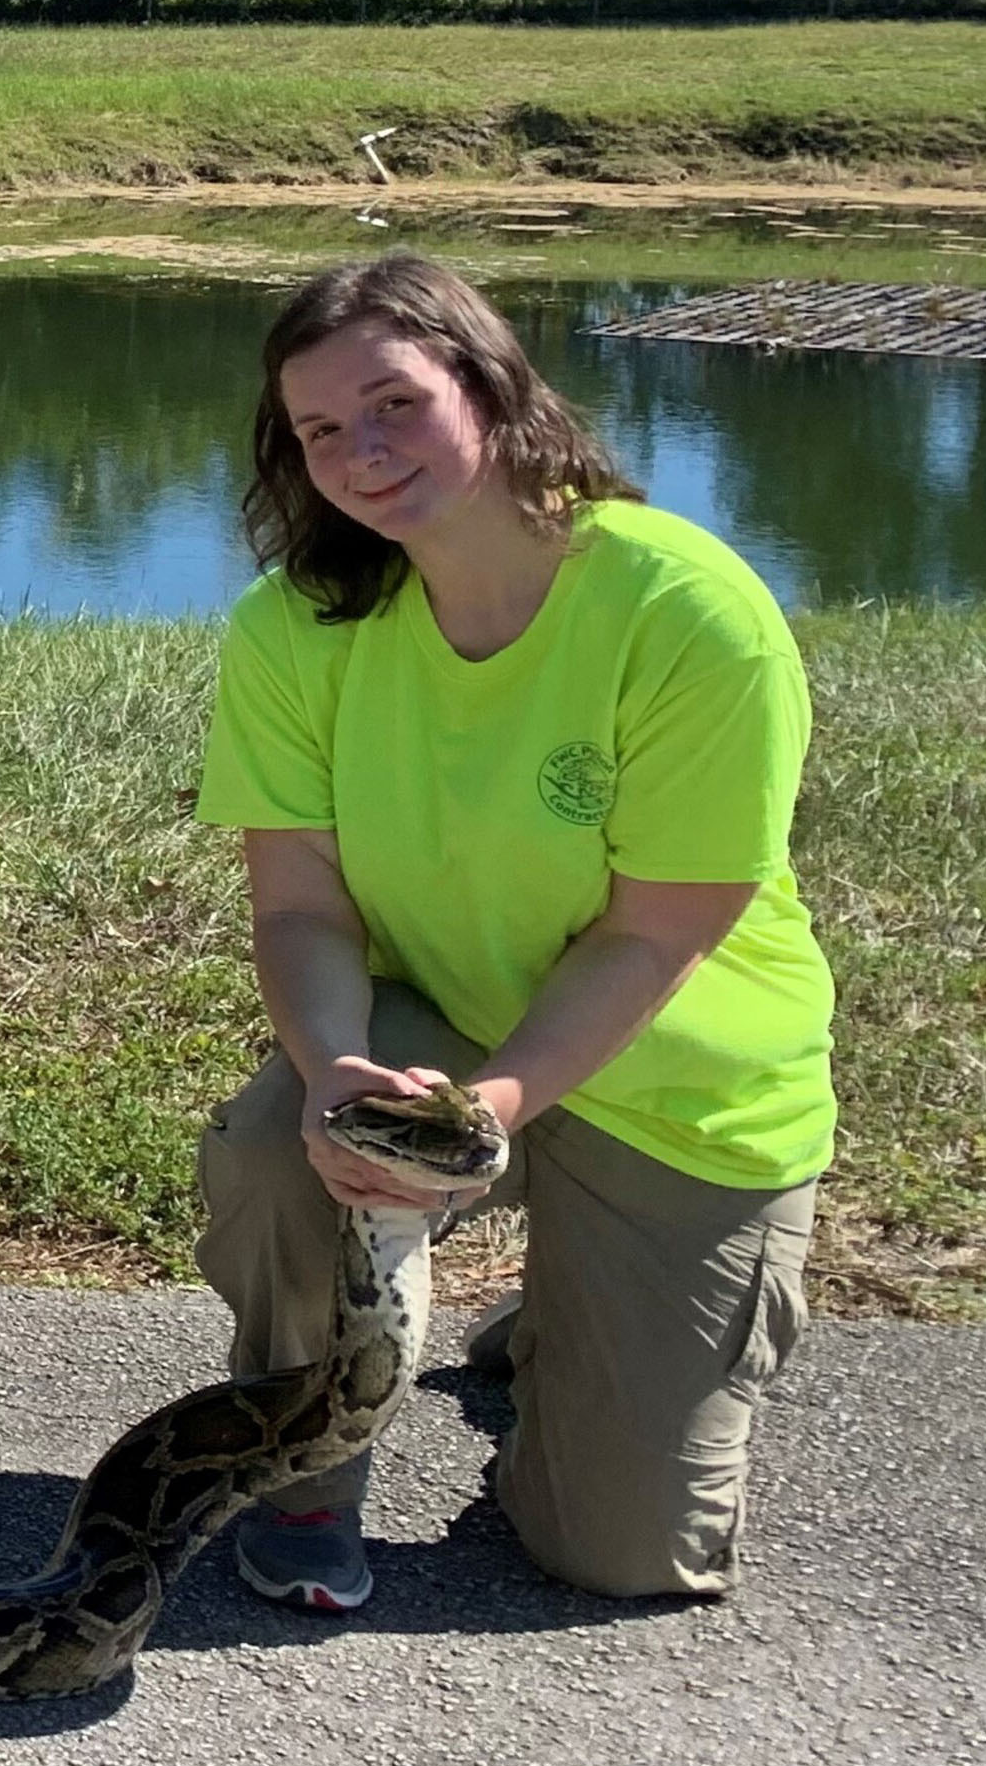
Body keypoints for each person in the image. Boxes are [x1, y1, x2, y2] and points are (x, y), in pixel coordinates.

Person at [193, 252, 830, 1618]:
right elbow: (298, 904)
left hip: (680, 1083)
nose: (359, 453)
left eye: (393, 404)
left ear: (488, 385)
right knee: (272, 1152)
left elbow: (659, 933)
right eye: (318, 431)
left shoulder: (685, 612)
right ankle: (302, 1473)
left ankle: (554, 1325)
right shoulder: (294, 629)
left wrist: (482, 1114)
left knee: (618, 1558)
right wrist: (329, 1077)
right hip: (443, 1027)